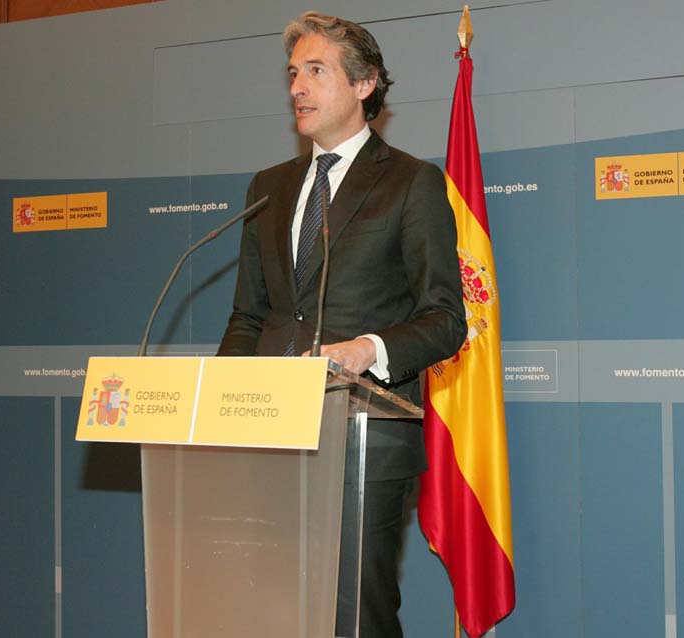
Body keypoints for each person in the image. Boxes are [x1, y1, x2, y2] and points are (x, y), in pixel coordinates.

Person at [216, 11, 466, 638]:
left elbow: (445, 319)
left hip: (364, 439)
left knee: (356, 614)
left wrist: (368, 349)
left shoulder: (411, 182)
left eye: (315, 71)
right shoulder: (268, 187)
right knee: (274, 611)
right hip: (271, 435)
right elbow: (249, 315)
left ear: (364, 84)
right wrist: (225, 404)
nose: (297, 87)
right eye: (292, 73)